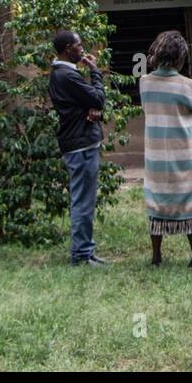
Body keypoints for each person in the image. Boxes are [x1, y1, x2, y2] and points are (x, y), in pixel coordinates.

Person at [139, 30, 192, 267]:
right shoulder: (186, 86)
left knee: (157, 202)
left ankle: (156, 256)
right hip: (184, 154)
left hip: (156, 156)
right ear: (180, 57)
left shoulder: (144, 83)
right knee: (188, 203)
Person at [49, 30, 109, 266]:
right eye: (78, 45)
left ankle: (86, 250)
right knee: (83, 202)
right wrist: (95, 73)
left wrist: (91, 108)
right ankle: (81, 255)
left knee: (84, 199)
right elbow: (98, 99)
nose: (83, 49)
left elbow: (92, 103)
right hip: (80, 145)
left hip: (79, 141)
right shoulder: (66, 75)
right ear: (67, 48)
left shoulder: (62, 73)